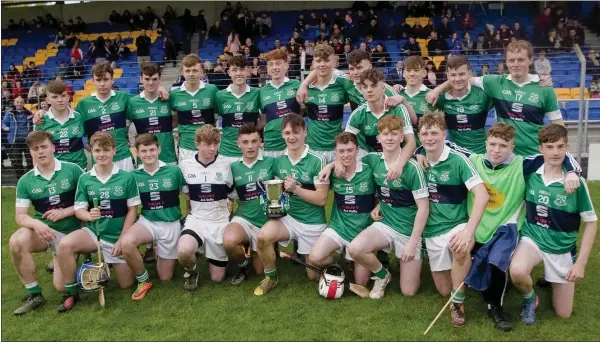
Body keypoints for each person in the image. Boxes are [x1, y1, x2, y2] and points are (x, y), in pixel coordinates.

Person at [417, 122, 581, 331]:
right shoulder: (473, 159)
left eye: (503, 146)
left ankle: (495, 307)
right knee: (463, 252)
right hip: (477, 224)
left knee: (497, 263)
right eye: (492, 144)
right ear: (485, 143)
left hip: (507, 227)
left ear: (512, 147)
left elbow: (556, 155)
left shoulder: (522, 164)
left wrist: (573, 172)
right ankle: (465, 298)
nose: (496, 150)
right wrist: (420, 151)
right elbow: (440, 143)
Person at [510, 124, 597, 324]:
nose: (555, 152)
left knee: (563, 313)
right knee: (517, 270)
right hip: (533, 237)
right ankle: (530, 299)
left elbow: (591, 224)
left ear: (567, 148)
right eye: (549, 147)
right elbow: (498, 155)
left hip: (561, 247)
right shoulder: (529, 169)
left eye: (560, 147)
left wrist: (581, 264)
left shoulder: (575, 183)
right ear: (540, 148)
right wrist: (421, 151)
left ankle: (551, 278)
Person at [426, 40, 563, 156]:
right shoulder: (495, 82)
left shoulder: (544, 88)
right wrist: (437, 89)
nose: (515, 64)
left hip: (534, 155)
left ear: (530, 60)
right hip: (505, 156)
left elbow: (559, 127)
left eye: (520, 59)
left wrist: (564, 159)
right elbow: (461, 79)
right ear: (506, 62)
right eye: (511, 60)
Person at [416, 112, 488, 327]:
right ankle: (467, 273)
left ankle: (457, 305)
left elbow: (482, 195)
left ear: (444, 134)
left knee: (460, 248)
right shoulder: (416, 160)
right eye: (425, 133)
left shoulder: (458, 160)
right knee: (444, 290)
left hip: (457, 224)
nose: (430, 138)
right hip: (431, 231)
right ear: (419, 137)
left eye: (434, 133)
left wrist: (468, 231)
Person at [348, 115, 429, 299]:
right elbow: (347, 158)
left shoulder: (412, 167)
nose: (390, 138)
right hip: (385, 224)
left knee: (408, 292)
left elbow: (423, 208)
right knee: (355, 248)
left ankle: (413, 259)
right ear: (378, 138)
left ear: (402, 137)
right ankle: (383, 276)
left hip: (408, 231)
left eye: (394, 134)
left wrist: (413, 242)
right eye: (385, 134)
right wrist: (329, 167)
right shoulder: (373, 160)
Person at [58, 132, 140, 312]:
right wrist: (89, 216)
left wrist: (122, 240)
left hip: (117, 235)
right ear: (91, 152)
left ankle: (113, 260)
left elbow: (132, 211)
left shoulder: (127, 177)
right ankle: (72, 293)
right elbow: (79, 210)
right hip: (94, 232)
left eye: (105, 150)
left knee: (126, 284)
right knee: (65, 245)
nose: (101, 154)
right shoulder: (85, 178)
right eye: (97, 150)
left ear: (114, 151)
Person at [252, 114, 329, 295]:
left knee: (313, 275)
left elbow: (322, 199)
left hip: (312, 221)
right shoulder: (279, 161)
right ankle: (271, 277)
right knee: (263, 237)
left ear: (304, 132)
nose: (291, 137)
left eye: (296, 132)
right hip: (289, 218)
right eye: (287, 132)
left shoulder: (317, 160)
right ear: (282, 134)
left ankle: (332, 257)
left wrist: (296, 189)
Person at [9, 130, 84, 315]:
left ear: (53, 147)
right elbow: (20, 216)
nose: (40, 152)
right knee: (17, 240)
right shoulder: (25, 181)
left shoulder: (72, 169)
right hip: (45, 232)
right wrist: (37, 224)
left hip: (72, 232)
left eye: (44, 147)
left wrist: (65, 212)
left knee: (61, 287)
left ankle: (73, 258)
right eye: (35, 149)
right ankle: (34, 294)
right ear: (30, 152)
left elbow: (89, 202)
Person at [120, 134, 186, 300]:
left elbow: (187, 195)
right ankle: (143, 280)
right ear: (137, 152)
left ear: (159, 149)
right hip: (147, 222)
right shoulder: (133, 176)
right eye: (144, 151)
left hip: (170, 224)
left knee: (165, 278)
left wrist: (188, 218)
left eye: (152, 150)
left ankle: (162, 251)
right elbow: (129, 207)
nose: (148, 154)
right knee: (127, 243)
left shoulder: (174, 171)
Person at [308, 131, 375, 287]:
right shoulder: (332, 173)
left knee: (361, 283)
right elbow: (319, 190)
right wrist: (330, 165)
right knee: (315, 258)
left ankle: (355, 256)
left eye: (350, 150)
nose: (346, 155)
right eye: (341, 151)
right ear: (335, 152)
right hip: (339, 227)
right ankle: (337, 265)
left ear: (357, 149)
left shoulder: (369, 170)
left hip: (363, 231)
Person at [177, 125, 234, 291]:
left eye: (215, 144)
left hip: (220, 221)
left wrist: (230, 211)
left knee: (217, 278)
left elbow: (232, 194)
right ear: (197, 144)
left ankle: (216, 252)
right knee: (184, 250)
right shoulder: (185, 165)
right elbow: (187, 195)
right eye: (208, 144)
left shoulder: (225, 165)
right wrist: (188, 217)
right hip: (197, 220)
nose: (212, 148)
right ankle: (191, 271)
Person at [223, 123, 275, 284]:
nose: (250, 146)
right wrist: (227, 202)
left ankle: (268, 246)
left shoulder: (272, 162)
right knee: (229, 240)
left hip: (267, 222)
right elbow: (228, 195)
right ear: (238, 144)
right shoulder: (232, 167)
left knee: (260, 271)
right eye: (245, 142)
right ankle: (244, 264)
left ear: (261, 142)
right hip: (244, 218)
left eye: (254, 141)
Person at [428, 56, 493, 154]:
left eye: (462, 74)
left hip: (481, 154)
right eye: (453, 75)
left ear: (469, 74)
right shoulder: (440, 99)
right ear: (447, 76)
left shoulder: (483, 95)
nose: (457, 79)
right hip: (456, 156)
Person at [345, 69, 415, 158]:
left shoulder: (398, 109)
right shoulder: (357, 114)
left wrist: (398, 165)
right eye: (365, 87)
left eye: (373, 86)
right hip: (370, 163)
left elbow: (411, 143)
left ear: (383, 89)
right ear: (361, 90)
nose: (369, 90)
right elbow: (345, 144)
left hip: (397, 159)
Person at [170, 54, 219, 162]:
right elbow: (174, 119)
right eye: (187, 71)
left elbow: (218, 114)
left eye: (195, 70)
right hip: (186, 147)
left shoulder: (212, 90)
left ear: (201, 71)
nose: (191, 74)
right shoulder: (174, 94)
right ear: (182, 72)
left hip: (209, 146)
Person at [127, 62, 177, 165]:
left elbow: (176, 121)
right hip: (144, 161)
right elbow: (124, 130)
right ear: (141, 79)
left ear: (160, 79)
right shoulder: (132, 102)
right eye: (147, 79)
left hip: (168, 158)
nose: (150, 83)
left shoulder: (168, 99)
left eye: (154, 79)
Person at [215, 55, 260, 164]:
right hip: (226, 153)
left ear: (248, 72)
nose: (238, 73)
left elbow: (264, 117)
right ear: (229, 72)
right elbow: (213, 120)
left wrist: (255, 132)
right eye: (234, 70)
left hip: (251, 153)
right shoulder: (220, 96)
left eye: (242, 69)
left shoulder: (257, 93)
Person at [36, 80, 87, 170]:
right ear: (48, 100)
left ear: (68, 97)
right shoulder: (41, 121)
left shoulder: (79, 117)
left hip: (79, 168)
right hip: (55, 171)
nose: (60, 100)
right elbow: (37, 149)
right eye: (55, 97)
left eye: (63, 96)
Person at [259, 49, 301, 158]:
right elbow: (262, 119)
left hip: (293, 145)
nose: (274, 67)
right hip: (271, 146)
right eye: (271, 64)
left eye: (278, 63)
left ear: (286, 65)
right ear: (267, 69)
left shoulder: (297, 85)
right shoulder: (262, 91)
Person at [393, 56, 435, 146]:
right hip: (400, 151)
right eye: (408, 70)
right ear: (404, 73)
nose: (411, 74)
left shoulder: (432, 96)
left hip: (425, 150)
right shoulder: (396, 95)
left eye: (416, 70)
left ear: (424, 73)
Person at [2, 96, 34, 178]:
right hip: (14, 141)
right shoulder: (9, 113)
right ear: (14, 103)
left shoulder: (29, 113)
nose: (19, 104)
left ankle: (30, 179)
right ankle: (21, 180)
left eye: (21, 102)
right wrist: (5, 127)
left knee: (31, 161)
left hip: (27, 141)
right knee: (17, 162)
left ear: (24, 103)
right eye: (17, 102)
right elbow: (3, 123)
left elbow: (34, 124)